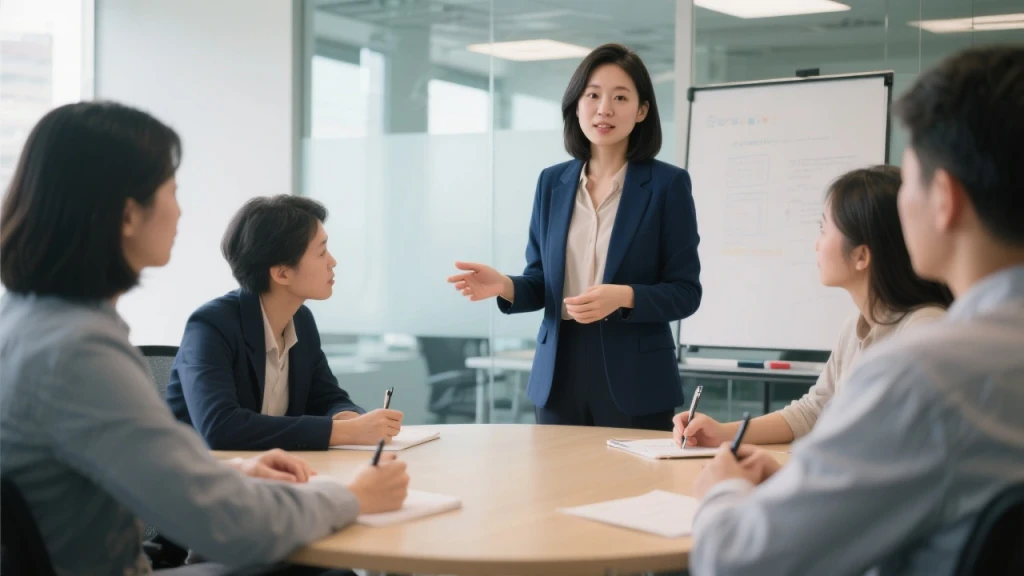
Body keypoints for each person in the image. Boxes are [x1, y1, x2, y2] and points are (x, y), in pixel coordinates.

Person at [0, 101, 409, 575]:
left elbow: (125, 472)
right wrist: (352, 496)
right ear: (127, 216)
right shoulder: (79, 353)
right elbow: (227, 525)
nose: (180, 210)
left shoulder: (31, 323)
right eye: (172, 190)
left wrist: (231, 473)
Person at [690, 45, 1024, 575]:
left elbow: (734, 560)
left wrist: (723, 491)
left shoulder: (926, 373)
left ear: (945, 199)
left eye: (909, 179)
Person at [447, 43, 701, 430]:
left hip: (636, 376)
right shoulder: (553, 183)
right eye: (593, 95)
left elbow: (686, 291)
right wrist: (504, 285)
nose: (604, 109)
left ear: (642, 110)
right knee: (558, 489)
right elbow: (541, 282)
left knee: (632, 489)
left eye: (620, 97)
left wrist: (624, 296)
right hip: (558, 372)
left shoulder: (667, 185)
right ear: (576, 106)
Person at [673, 165, 953, 447]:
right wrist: (723, 433)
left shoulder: (924, 332)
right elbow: (812, 411)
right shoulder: (857, 325)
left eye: (823, 229)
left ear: (861, 255)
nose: (817, 244)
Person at [165, 196, 402, 451]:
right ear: (281, 273)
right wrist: (344, 432)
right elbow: (220, 426)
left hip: (272, 474)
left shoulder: (301, 321)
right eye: (321, 252)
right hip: (200, 481)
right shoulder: (211, 326)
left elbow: (327, 398)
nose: (332, 261)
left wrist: (349, 418)